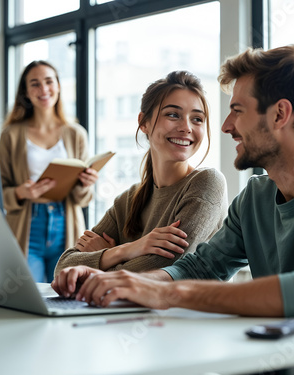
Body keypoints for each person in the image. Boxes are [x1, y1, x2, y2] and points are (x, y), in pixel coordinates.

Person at [52, 45, 294, 374]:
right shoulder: (254, 198)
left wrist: (164, 291)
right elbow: (200, 267)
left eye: (238, 111)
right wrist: (117, 281)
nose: (226, 126)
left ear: (280, 114)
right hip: (279, 363)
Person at [53, 71, 228, 276]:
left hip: (186, 309)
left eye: (197, 119)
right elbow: (63, 268)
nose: (186, 127)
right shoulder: (127, 201)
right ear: (143, 122)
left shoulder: (207, 183)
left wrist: (103, 257)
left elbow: (158, 271)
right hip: (128, 308)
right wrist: (129, 249)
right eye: (173, 115)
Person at [0, 60, 98, 283]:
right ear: (25, 91)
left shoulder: (76, 134)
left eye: (49, 81)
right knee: (27, 291)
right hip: (27, 225)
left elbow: (82, 200)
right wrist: (22, 193)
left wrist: (85, 184)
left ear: (59, 86)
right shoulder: (11, 135)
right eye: (35, 84)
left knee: (66, 291)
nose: (43, 89)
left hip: (66, 223)